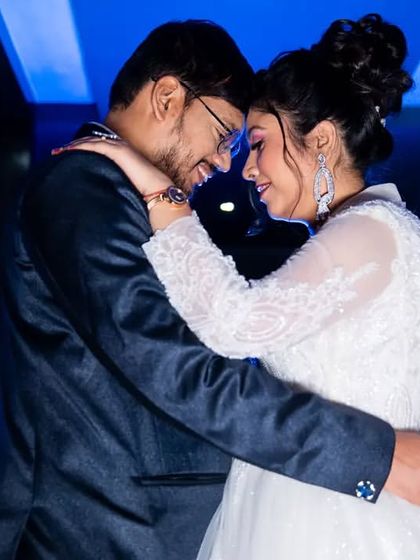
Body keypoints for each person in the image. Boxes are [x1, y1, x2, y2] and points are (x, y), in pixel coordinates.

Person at [1, 18, 419, 560]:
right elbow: (171, 366)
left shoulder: (371, 230)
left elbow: (221, 333)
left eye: (248, 143)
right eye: (225, 137)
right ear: (167, 98)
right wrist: (375, 458)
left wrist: (163, 196)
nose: (229, 164)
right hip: (103, 528)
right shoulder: (83, 183)